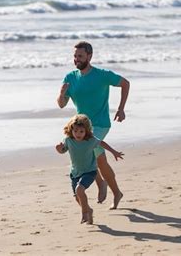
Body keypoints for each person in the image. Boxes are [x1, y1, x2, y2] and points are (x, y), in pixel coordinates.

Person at [57, 41, 130, 210]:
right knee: (101, 160)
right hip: (81, 127)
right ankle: (116, 192)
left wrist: (121, 108)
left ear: (90, 56)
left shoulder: (102, 75)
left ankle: (101, 183)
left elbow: (125, 83)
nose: (76, 59)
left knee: (90, 150)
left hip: (100, 124)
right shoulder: (70, 78)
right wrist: (61, 94)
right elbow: (61, 104)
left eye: (80, 56)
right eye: (75, 56)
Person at [55, 114, 124, 224]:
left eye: (81, 131)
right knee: (77, 197)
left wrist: (114, 152)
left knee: (79, 189)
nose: (78, 134)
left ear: (86, 131)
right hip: (75, 173)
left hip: (89, 171)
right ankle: (88, 210)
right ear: (71, 129)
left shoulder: (90, 140)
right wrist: (59, 149)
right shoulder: (68, 140)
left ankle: (84, 214)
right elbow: (63, 150)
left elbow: (102, 143)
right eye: (76, 131)